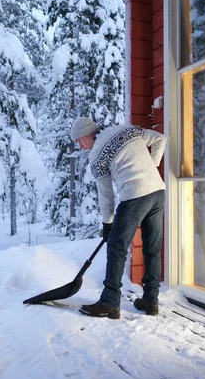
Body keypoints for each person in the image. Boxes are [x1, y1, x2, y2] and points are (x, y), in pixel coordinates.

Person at [69, 117, 166, 319]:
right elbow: (160, 139)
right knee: (151, 248)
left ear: (87, 133)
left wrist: (108, 224)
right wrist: (151, 167)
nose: (80, 146)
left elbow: (106, 197)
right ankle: (150, 301)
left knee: (116, 248)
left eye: (79, 140)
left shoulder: (96, 156)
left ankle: (110, 302)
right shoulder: (126, 130)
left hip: (135, 194)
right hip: (157, 191)